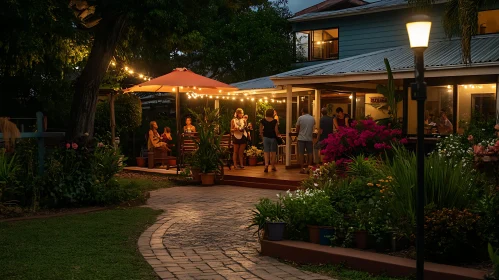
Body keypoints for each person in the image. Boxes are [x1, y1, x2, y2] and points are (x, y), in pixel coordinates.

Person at [260, 108, 281, 173]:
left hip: (265, 137)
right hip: (273, 138)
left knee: (266, 151)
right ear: (272, 113)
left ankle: (266, 165)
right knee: (273, 152)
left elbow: (260, 131)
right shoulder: (275, 121)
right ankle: (273, 166)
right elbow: (276, 131)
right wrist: (278, 136)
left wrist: (262, 138)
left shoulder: (262, 120)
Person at [296, 107, 315, 174]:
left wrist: (297, 133)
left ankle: (302, 168)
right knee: (310, 153)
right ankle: (309, 168)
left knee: (301, 153)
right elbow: (313, 127)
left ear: (303, 111)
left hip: (301, 138)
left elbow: (297, 128)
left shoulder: (300, 118)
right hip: (309, 138)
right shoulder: (312, 118)